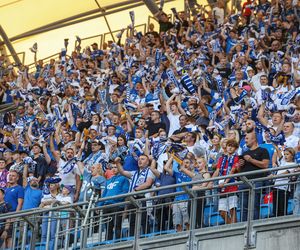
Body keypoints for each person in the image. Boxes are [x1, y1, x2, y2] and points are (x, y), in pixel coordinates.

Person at [117, 154, 155, 236]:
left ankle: (146, 238)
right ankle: (131, 239)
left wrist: (135, 190)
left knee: (144, 220)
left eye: (142, 159)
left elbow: (148, 183)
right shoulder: (134, 173)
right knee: (132, 221)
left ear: (148, 162)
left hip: (143, 198)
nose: (139, 160)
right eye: (139, 159)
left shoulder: (150, 171)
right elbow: (122, 172)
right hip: (133, 200)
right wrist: (117, 163)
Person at [238, 132, 270, 221]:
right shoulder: (244, 153)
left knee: (254, 206)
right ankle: (243, 226)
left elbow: (265, 165)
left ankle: (254, 224)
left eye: (247, 139)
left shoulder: (263, 150)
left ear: (254, 139)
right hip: (244, 182)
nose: (245, 141)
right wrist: (240, 165)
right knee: (243, 208)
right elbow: (240, 170)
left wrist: (251, 160)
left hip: (256, 181)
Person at [99, 159, 129, 241]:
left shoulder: (124, 179)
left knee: (117, 226)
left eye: (116, 167)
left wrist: (115, 198)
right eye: (113, 167)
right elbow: (104, 194)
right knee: (108, 228)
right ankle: (107, 244)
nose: (114, 169)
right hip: (107, 206)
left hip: (117, 205)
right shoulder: (108, 181)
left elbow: (125, 192)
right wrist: (99, 205)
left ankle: (119, 243)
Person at [211, 139, 239, 224]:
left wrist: (225, 182)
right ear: (226, 147)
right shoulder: (221, 159)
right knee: (222, 212)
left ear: (236, 149)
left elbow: (232, 171)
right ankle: (231, 227)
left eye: (232, 146)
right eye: (229, 146)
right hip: (222, 187)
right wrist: (210, 182)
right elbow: (217, 171)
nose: (230, 148)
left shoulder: (236, 158)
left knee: (232, 209)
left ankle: (233, 228)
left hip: (231, 186)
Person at [272, 148, 295, 217]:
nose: (285, 156)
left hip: (284, 188)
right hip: (276, 187)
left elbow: (286, 172)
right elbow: (278, 152)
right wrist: (276, 147)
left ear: (292, 156)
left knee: (282, 208)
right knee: (275, 209)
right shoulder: (283, 162)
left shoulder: (293, 164)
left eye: (287, 154)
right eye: (284, 154)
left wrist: (275, 176)